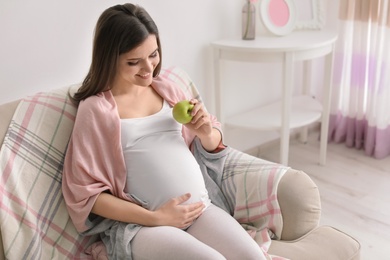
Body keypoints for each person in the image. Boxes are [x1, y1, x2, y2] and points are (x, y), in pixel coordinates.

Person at [62, 3, 266, 260]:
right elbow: (86, 193)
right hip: (145, 226)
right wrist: (155, 217)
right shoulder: (96, 109)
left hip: (200, 209)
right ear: (109, 58)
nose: (148, 69)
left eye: (154, 54)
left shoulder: (166, 89)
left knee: (255, 258)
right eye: (134, 62)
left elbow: (212, 143)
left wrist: (204, 131)